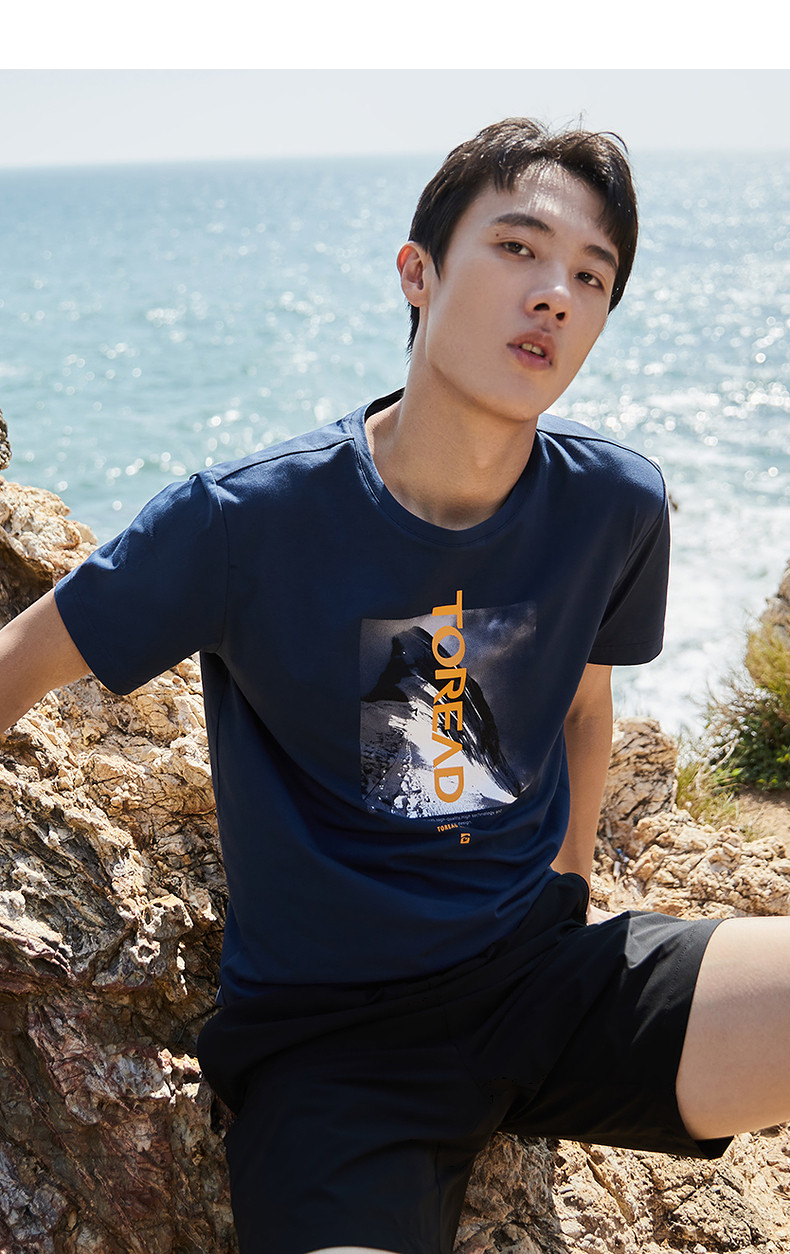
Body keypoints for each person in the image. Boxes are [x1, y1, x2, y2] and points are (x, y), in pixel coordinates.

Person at [2, 118, 789, 1254]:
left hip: (540, 982)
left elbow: (581, 704)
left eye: (591, 276)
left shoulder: (613, 505)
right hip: (335, 1055)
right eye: (517, 249)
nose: (554, 294)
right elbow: (19, 665)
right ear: (418, 273)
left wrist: (567, 889)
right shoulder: (245, 522)